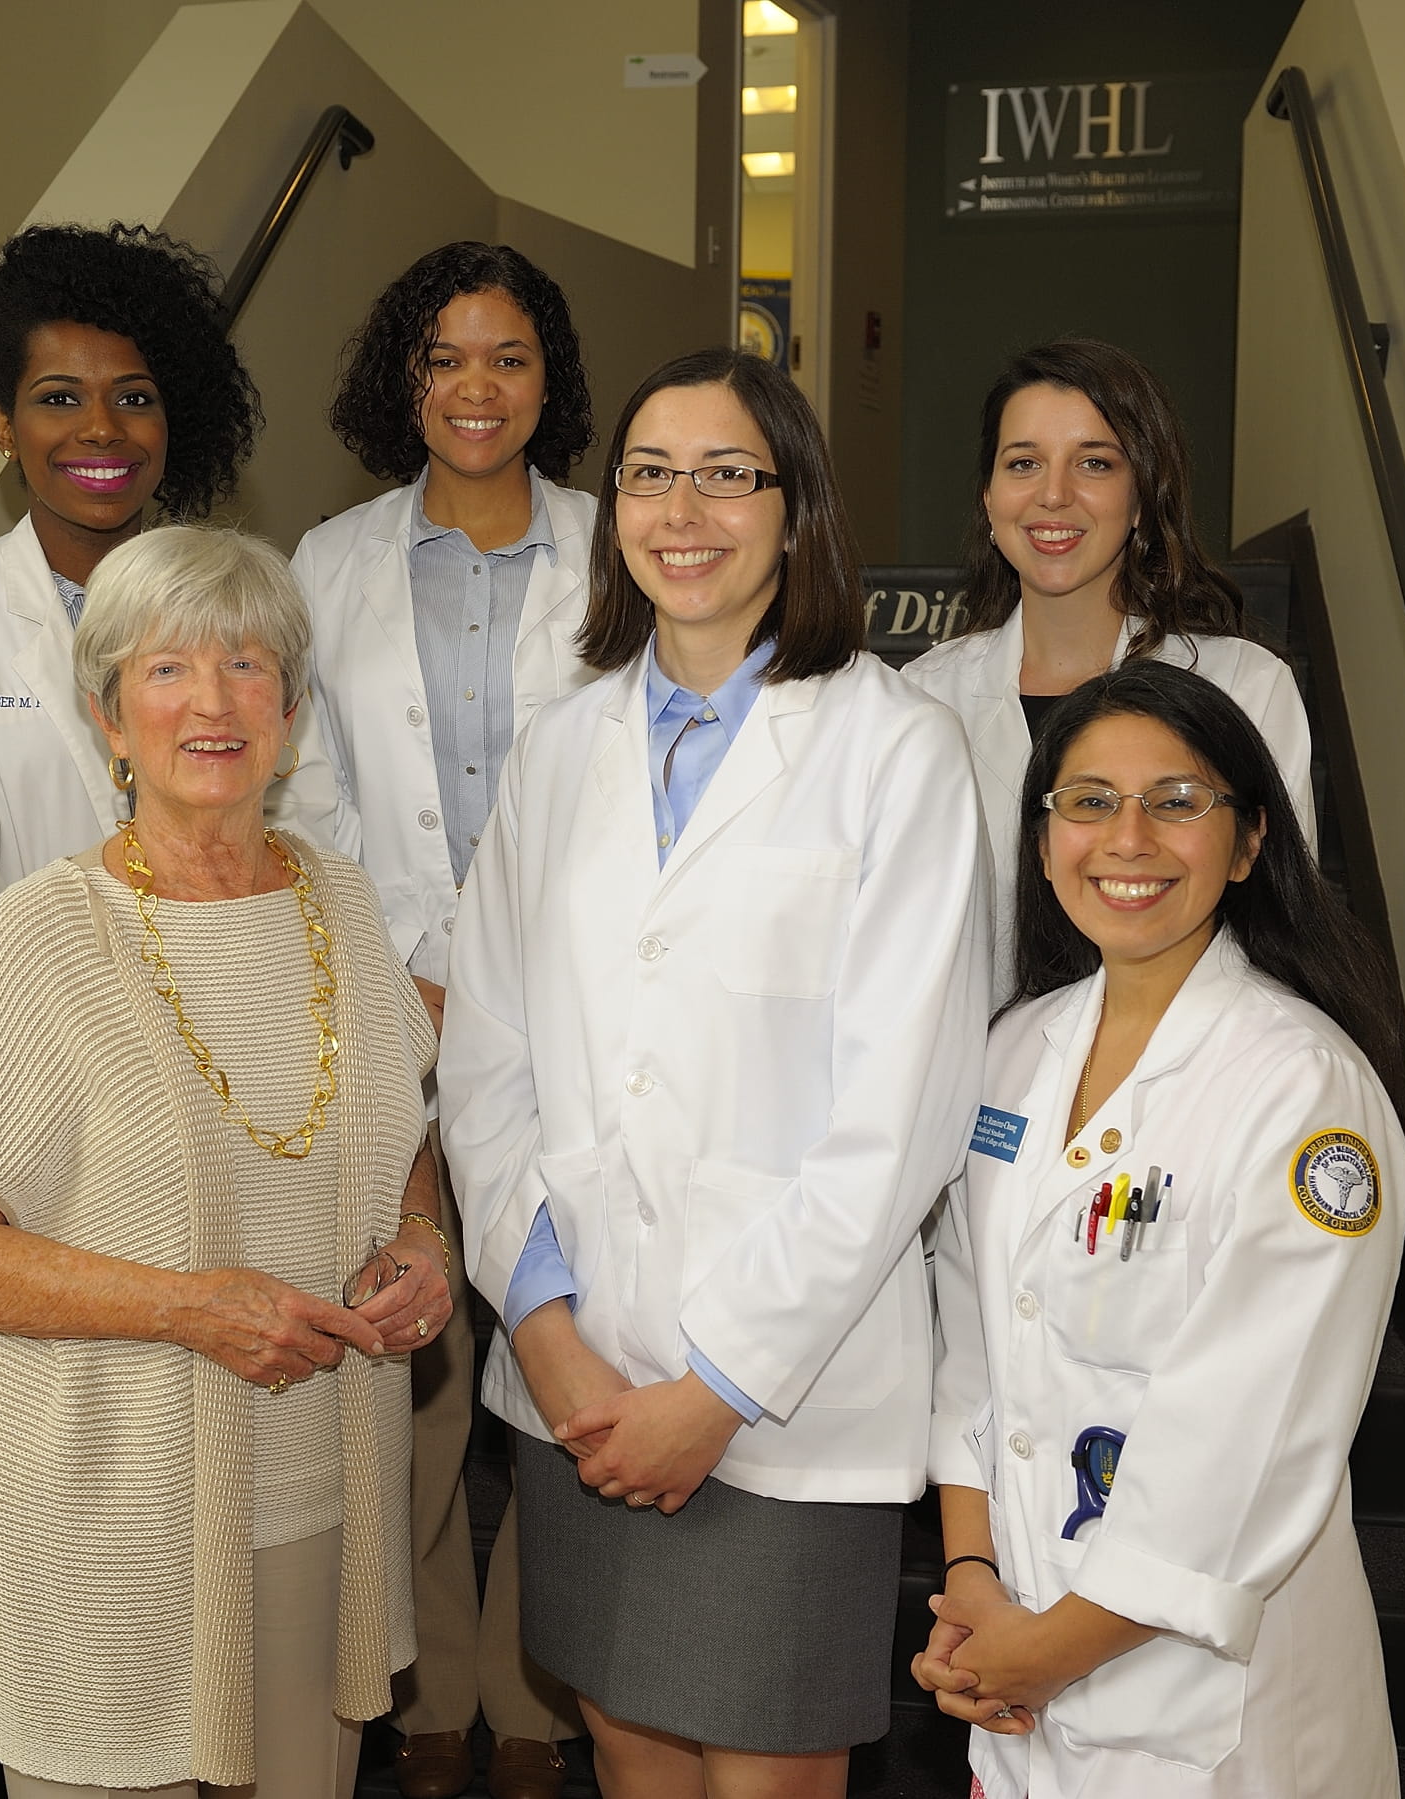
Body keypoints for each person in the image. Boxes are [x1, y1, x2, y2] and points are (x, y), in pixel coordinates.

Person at [440, 348, 991, 1798]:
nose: (683, 508)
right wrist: (547, 1325)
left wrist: (719, 1383)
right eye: (648, 473)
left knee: (766, 1765)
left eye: (725, 473)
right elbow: (486, 1057)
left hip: (781, 1393)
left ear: (795, 504)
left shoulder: (897, 749)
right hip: (579, 1377)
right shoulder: (560, 752)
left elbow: (907, 1117)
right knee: (622, 1732)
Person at [0, 526, 446, 1798]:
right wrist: (188, 1306)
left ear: (293, 713)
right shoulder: (44, 931)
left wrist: (424, 1242)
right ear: (107, 717)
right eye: (165, 669)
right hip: (108, 1514)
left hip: (316, 1500)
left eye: (248, 665)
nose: (211, 700)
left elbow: (398, 1139)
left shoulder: (344, 904)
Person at [913, 660, 1405, 1798]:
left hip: (1207, 1705)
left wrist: (1043, 1652)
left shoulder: (1301, 1088)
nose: (1125, 836)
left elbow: (1251, 1431)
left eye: (1177, 801)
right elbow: (970, 1350)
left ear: (1246, 844)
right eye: (1087, 800)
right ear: (1042, 842)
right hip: (1020, 1649)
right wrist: (975, 1577)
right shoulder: (1010, 1054)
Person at [276, 240, 596, 1799]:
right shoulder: (327, 560)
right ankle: (423, 1683)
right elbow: (305, 772)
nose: (476, 389)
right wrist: (401, 956)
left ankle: (536, 1703)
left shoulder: (620, 550)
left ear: (552, 380)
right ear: (401, 378)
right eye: (444, 358)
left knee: (560, 1336)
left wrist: (519, 975)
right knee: (411, 1356)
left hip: (575, 1008)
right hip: (386, 996)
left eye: (509, 357)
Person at [0, 222, 262, 953]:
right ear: (5, 426)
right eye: (60, 399)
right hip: (35, 1037)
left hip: (236, 1007)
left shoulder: (246, 610)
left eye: (134, 399)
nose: (102, 429)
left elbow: (302, 822)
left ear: (175, 422)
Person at [902, 338, 1314, 996]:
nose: (1054, 495)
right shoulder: (919, 700)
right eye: (1023, 463)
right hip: (978, 1078)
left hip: (1185, 1073)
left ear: (1144, 495)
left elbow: (1271, 930)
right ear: (988, 496)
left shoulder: (1246, 688)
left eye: (1094, 463)